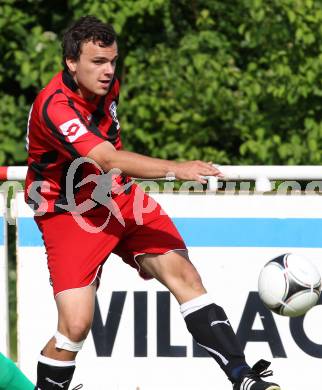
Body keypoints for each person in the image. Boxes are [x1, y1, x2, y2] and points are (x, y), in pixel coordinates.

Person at [25, 15, 281, 390]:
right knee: (75, 327)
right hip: (68, 214)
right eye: (98, 62)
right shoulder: (55, 107)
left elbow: (111, 165)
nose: (108, 71)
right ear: (70, 62)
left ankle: (243, 378)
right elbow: (107, 157)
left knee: (186, 277)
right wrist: (176, 169)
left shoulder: (105, 85)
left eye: (112, 61)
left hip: (117, 194)